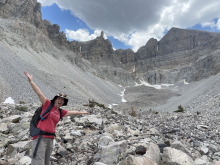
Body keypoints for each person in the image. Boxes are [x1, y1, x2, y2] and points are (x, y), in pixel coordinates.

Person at [24, 71, 90, 165]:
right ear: (55, 99)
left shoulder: (60, 112)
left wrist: (82, 112)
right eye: (59, 99)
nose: (60, 100)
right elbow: (39, 93)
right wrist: (31, 81)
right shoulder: (47, 104)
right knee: (38, 161)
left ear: (63, 103)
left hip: (50, 138)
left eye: (62, 100)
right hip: (40, 137)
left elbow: (72, 113)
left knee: (47, 162)